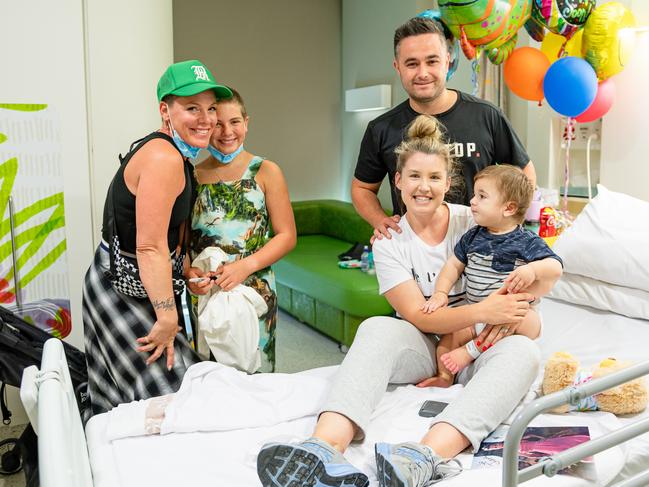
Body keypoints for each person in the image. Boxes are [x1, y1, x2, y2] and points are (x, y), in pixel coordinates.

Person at [256, 115, 540, 487]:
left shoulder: (473, 222)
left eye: (435, 177)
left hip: (477, 345)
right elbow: (418, 319)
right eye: (415, 177)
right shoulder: (389, 240)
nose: (424, 187)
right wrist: (486, 309)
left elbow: (529, 307)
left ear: (450, 182)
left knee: (525, 354)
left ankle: (425, 456)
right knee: (376, 327)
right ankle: (323, 447)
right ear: (398, 181)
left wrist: (499, 316)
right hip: (422, 346)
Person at [82, 60, 232, 415]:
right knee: (170, 393)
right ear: (165, 110)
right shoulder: (164, 157)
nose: (206, 119)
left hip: (128, 280)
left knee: (130, 392)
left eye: (210, 108)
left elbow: (161, 237)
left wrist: (182, 273)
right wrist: (168, 317)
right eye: (192, 108)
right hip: (120, 288)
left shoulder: (173, 153)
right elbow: (149, 247)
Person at [352, 15, 537, 239]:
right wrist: (380, 220)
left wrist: (506, 228)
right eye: (412, 63)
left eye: (432, 61)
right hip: (415, 254)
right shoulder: (381, 128)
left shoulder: (486, 115)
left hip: (479, 252)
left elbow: (524, 174)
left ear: (447, 61)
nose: (423, 73)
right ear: (397, 67)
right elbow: (362, 189)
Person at [422, 165, 563, 388]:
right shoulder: (473, 236)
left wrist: (532, 270)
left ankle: (472, 350)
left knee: (524, 320)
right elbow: (452, 267)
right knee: (447, 340)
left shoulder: (526, 241)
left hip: (514, 316)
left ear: (508, 208)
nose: (472, 201)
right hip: (479, 312)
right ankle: (444, 378)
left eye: (482, 196)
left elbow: (555, 267)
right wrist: (440, 294)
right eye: (475, 195)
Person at [187, 88, 296, 373]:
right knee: (210, 374)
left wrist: (245, 267)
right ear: (207, 126)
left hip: (255, 288)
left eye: (234, 122)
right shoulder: (192, 176)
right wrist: (191, 274)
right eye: (217, 124)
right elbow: (182, 243)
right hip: (207, 292)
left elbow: (286, 235)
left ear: (246, 122)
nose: (226, 132)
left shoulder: (266, 171)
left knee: (255, 375)